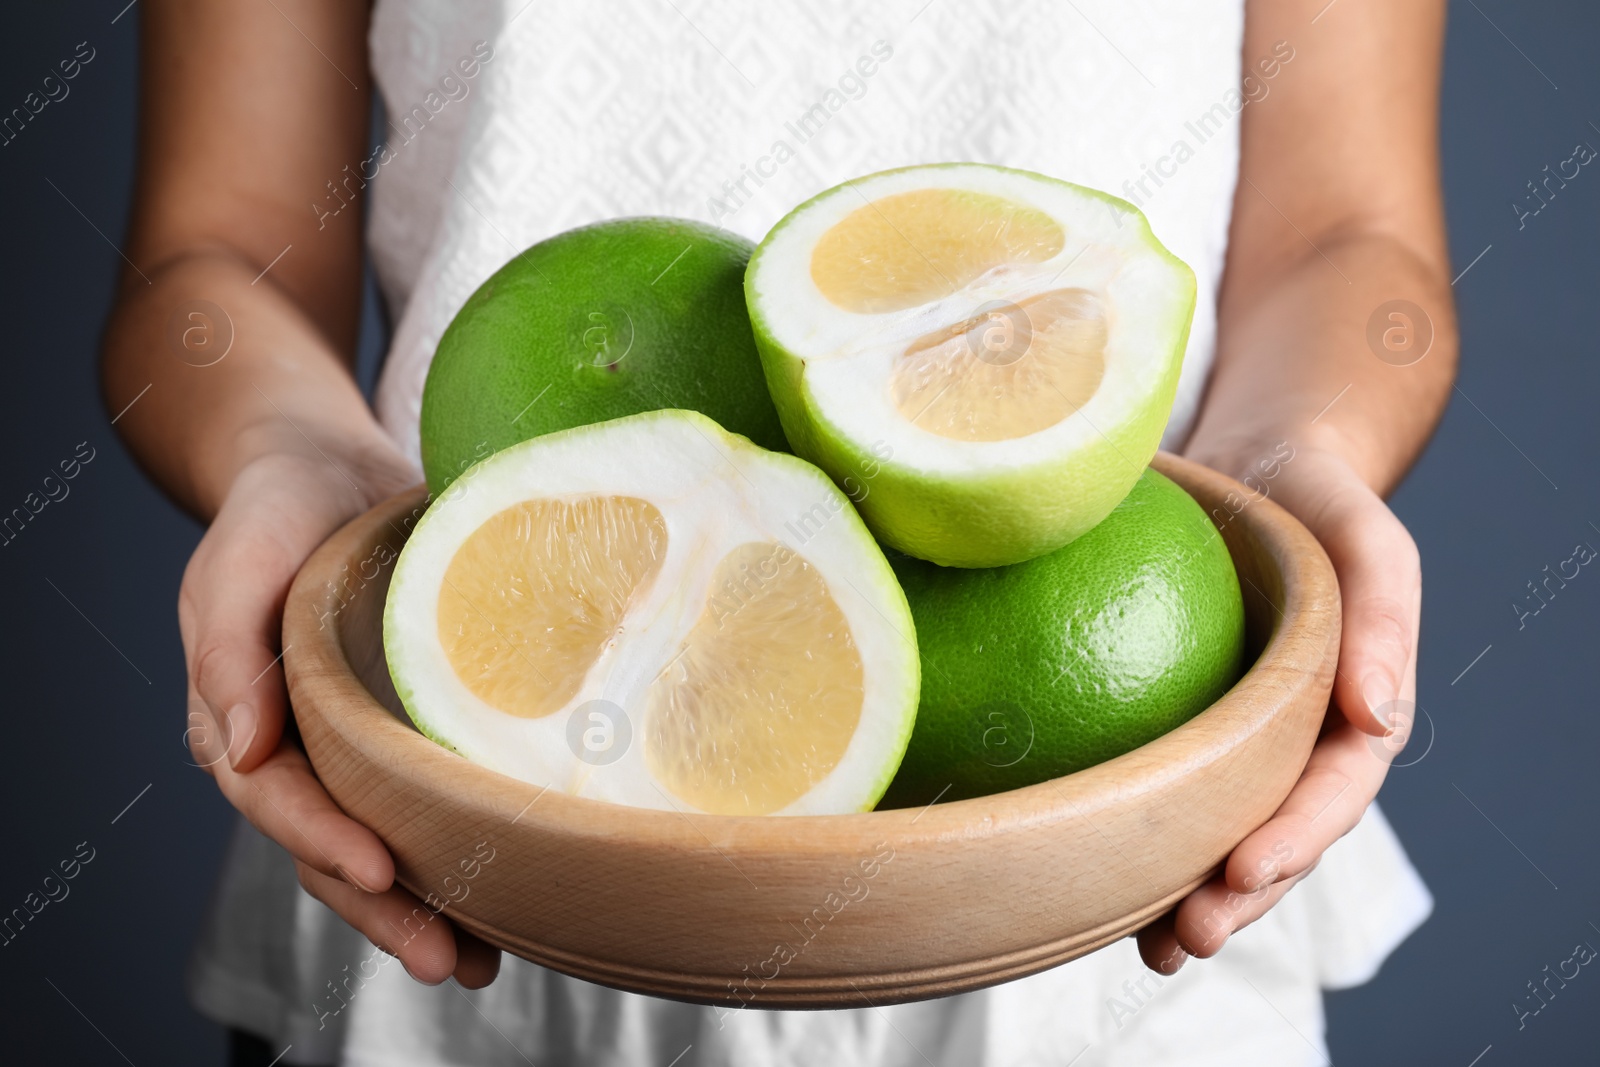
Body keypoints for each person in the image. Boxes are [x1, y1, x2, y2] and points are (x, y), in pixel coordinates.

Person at [103, 1, 1453, 1063]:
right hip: (470, 825)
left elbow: (1346, 231)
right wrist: (297, 457)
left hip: (1114, 865)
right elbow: (220, 245)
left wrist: (1296, 470)